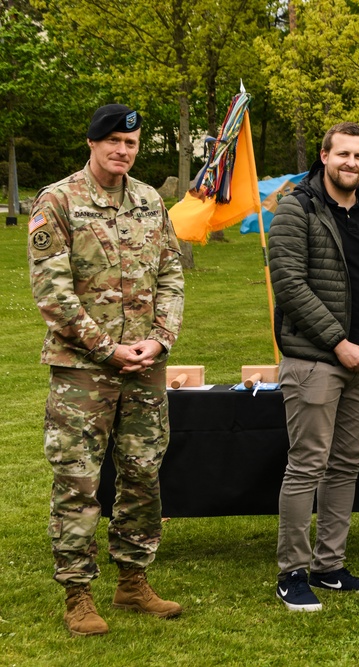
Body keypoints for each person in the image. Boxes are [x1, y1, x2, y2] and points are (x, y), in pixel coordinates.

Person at [27, 104, 185, 636]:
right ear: (92, 143)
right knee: (77, 480)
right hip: (82, 370)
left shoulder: (148, 200)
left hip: (144, 366)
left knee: (142, 474)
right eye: (114, 140)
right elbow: (53, 292)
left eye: (132, 143)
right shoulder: (58, 200)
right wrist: (105, 348)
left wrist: (160, 339)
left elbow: (171, 273)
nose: (123, 150)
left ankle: (132, 582)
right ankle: (77, 594)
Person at [268, 122, 359, 611]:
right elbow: (289, 282)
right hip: (315, 361)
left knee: (346, 465)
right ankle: (292, 572)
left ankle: (330, 566)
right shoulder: (296, 208)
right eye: (342, 154)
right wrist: (338, 342)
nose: (351, 163)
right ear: (324, 156)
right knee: (307, 465)